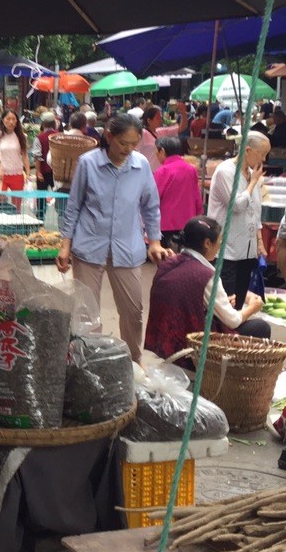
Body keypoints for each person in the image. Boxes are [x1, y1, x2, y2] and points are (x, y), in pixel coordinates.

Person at [57, 113, 171, 362]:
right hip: (88, 246)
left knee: (132, 311)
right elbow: (74, 206)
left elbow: (150, 207)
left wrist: (155, 241)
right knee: (87, 312)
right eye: (123, 143)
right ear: (109, 136)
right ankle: (92, 362)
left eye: (133, 144)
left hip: (128, 249)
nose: (128, 150)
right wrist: (65, 246)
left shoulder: (141, 166)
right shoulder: (88, 163)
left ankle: (132, 361)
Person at [146, 216, 269, 359]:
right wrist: (253, 307)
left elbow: (187, 300)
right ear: (207, 243)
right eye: (219, 240)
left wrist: (221, 303)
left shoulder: (169, 263)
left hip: (162, 342)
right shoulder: (206, 275)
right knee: (261, 328)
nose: (221, 244)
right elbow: (233, 320)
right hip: (189, 347)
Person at [206, 130, 270, 311]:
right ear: (248, 150)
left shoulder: (252, 173)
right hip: (227, 250)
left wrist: (259, 242)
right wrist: (252, 184)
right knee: (225, 302)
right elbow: (237, 206)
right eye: (262, 154)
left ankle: (233, 336)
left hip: (246, 250)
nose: (264, 159)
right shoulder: (225, 172)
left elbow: (256, 210)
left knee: (239, 301)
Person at [154, 137, 202, 247]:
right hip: (188, 221)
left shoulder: (162, 171)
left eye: (157, 151)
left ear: (162, 151)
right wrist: (199, 214)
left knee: (166, 259)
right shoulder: (191, 169)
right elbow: (196, 196)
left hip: (166, 224)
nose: (156, 154)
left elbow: (154, 198)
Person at [0, 109, 30, 192]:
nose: (11, 122)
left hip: (17, 174)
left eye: (13, 119)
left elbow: (25, 156)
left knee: (16, 203)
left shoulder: (21, 137)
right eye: (8, 119)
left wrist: (28, 173)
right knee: (1, 202)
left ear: (17, 121)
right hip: (1, 174)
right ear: (3, 120)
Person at [36, 111, 61, 192]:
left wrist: (38, 172)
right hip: (57, 171)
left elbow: (38, 156)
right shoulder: (59, 136)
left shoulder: (39, 138)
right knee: (58, 194)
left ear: (42, 124)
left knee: (41, 196)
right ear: (54, 123)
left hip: (44, 170)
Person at [138, 106, 163, 171]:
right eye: (158, 118)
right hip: (148, 171)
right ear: (149, 120)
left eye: (160, 117)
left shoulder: (158, 132)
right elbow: (135, 151)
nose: (160, 120)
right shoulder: (143, 133)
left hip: (156, 171)